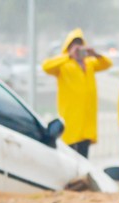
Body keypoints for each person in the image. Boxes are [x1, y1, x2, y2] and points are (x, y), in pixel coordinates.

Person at [41, 28, 112, 158]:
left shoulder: (90, 63)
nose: (78, 49)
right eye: (75, 45)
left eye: (80, 45)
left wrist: (95, 54)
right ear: (68, 47)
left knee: (84, 158)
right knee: (70, 156)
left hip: (86, 121)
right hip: (71, 120)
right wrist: (69, 56)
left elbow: (107, 64)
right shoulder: (63, 65)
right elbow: (46, 66)